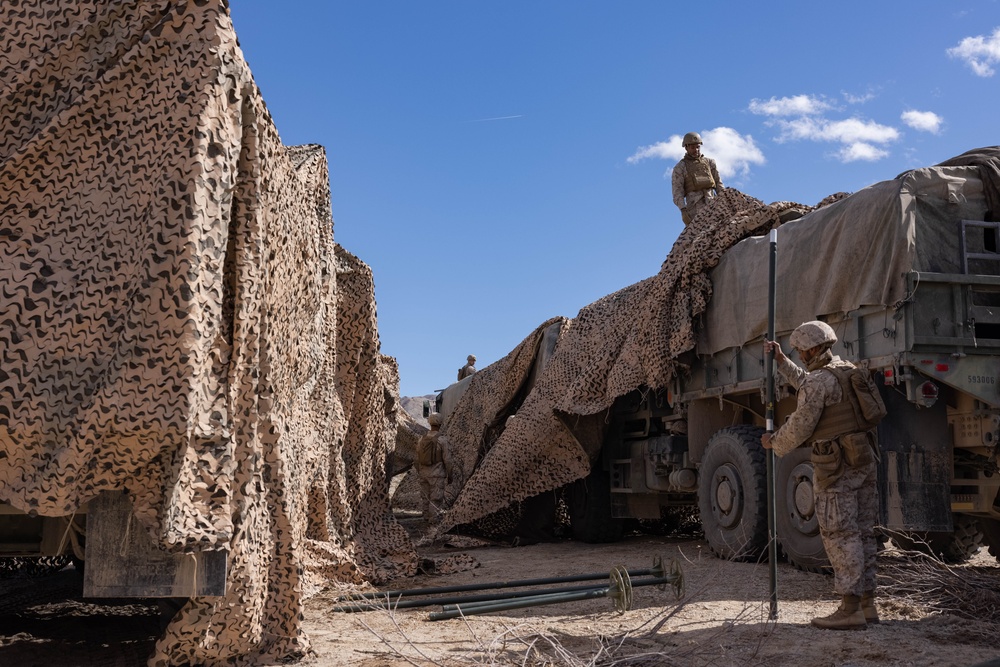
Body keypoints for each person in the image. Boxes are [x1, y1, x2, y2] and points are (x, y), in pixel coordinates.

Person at [761, 321, 879, 630]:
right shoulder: (848, 369)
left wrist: (774, 443)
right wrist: (782, 363)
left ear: (813, 349)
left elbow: (801, 425)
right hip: (863, 460)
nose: (799, 356)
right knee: (864, 532)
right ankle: (867, 605)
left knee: (841, 534)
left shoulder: (818, 383)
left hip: (835, 466)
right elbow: (808, 383)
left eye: (800, 351)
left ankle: (849, 608)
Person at [671, 132, 723, 226]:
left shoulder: (710, 162)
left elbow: (718, 183)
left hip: (713, 204)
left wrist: (724, 200)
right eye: (692, 147)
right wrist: (683, 210)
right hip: (694, 210)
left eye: (698, 147)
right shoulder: (680, 168)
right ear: (686, 147)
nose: (696, 150)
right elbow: (677, 192)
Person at [415, 413, 454, 524]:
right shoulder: (442, 440)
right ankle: (433, 523)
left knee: (425, 498)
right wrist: (450, 475)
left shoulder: (421, 439)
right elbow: (448, 460)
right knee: (435, 500)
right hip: (437, 475)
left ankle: (426, 519)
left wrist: (421, 472)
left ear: (430, 423)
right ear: (440, 424)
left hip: (423, 474)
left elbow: (416, 459)